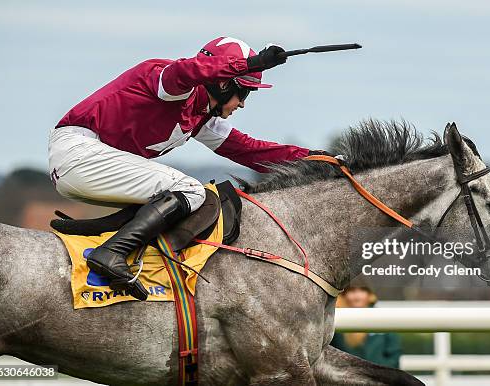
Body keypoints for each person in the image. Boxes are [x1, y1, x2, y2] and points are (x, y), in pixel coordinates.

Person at [49, 37, 323, 300]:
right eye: (244, 93)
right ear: (225, 84)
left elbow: (250, 151)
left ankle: (109, 240)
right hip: (79, 152)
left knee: (179, 193)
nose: (242, 104)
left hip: (88, 162)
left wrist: (314, 159)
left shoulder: (201, 117)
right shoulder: (170, 82)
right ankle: (111, 252)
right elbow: (187, 70)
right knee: (191, 190)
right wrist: (249, 65)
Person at [331, 286, 403, 368]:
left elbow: (394, 355)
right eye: (352, 291)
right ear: (343, 295)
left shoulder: (384, 318)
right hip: (346, 378)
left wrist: (379, 374)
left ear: (370, 294)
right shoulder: (334, 319)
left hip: (380, 378)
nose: (357, 297)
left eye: (362, 291)